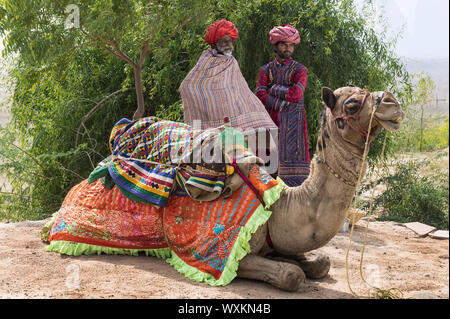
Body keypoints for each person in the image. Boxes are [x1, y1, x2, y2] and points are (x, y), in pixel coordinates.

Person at [179, 19, 278, 172]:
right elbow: (187, 85)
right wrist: (206, 97)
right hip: (212, 118)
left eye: (230, 41)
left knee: (245, 153)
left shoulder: (232, 62)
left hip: (235, 118)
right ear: (213, 43)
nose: (228, 45)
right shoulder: (205, 61)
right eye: (224, 41)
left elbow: (239, 90)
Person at [255, 24, 310, 186]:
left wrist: (273, 88)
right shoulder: (265, 70)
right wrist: (283, 101)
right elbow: (259, 94)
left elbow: (297, 94)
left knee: (293, 176)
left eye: (291, 45)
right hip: (269, 122)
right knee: (266, 166)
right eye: (284, 44)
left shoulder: (300, 70)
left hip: (293, 124)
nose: (288, 48)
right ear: (275, 45)